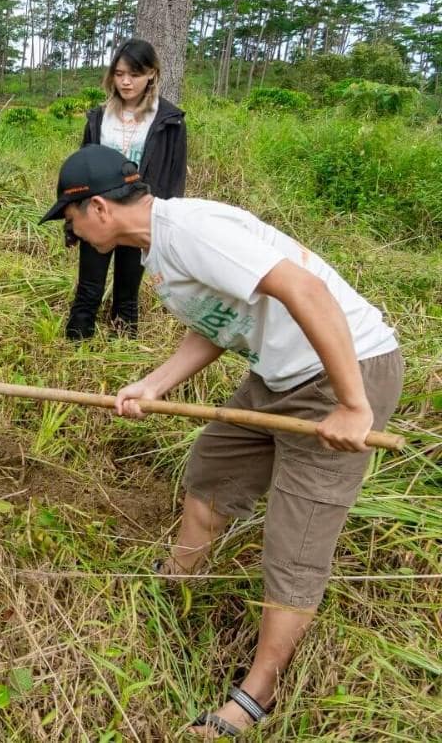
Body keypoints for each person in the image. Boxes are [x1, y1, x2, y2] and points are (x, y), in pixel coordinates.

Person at [39, 144, 403, 739]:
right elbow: (219, 321)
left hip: (345, 368)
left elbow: (306, 292)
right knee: (210, 469)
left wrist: (353, 403)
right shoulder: (160, 248)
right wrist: (155, 384)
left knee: (297, 536)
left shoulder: (191, 231)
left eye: (70, 220)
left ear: (98, 207)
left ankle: (257, 692)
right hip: (276, 373)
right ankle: (176, 587)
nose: (72, 233)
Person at [66, 38, 186, 340]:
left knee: (127, 291)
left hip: (139, 214)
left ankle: (123, 347)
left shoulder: (169, 121)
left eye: (134, 74)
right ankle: (76, 344)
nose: (126, 81)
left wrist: (166, 224)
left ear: (151, 74)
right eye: (119, 74)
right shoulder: (99, 117)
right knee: (89, 287)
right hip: (99, 212)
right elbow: (83, 166)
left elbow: (173, 176)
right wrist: (73, 218)